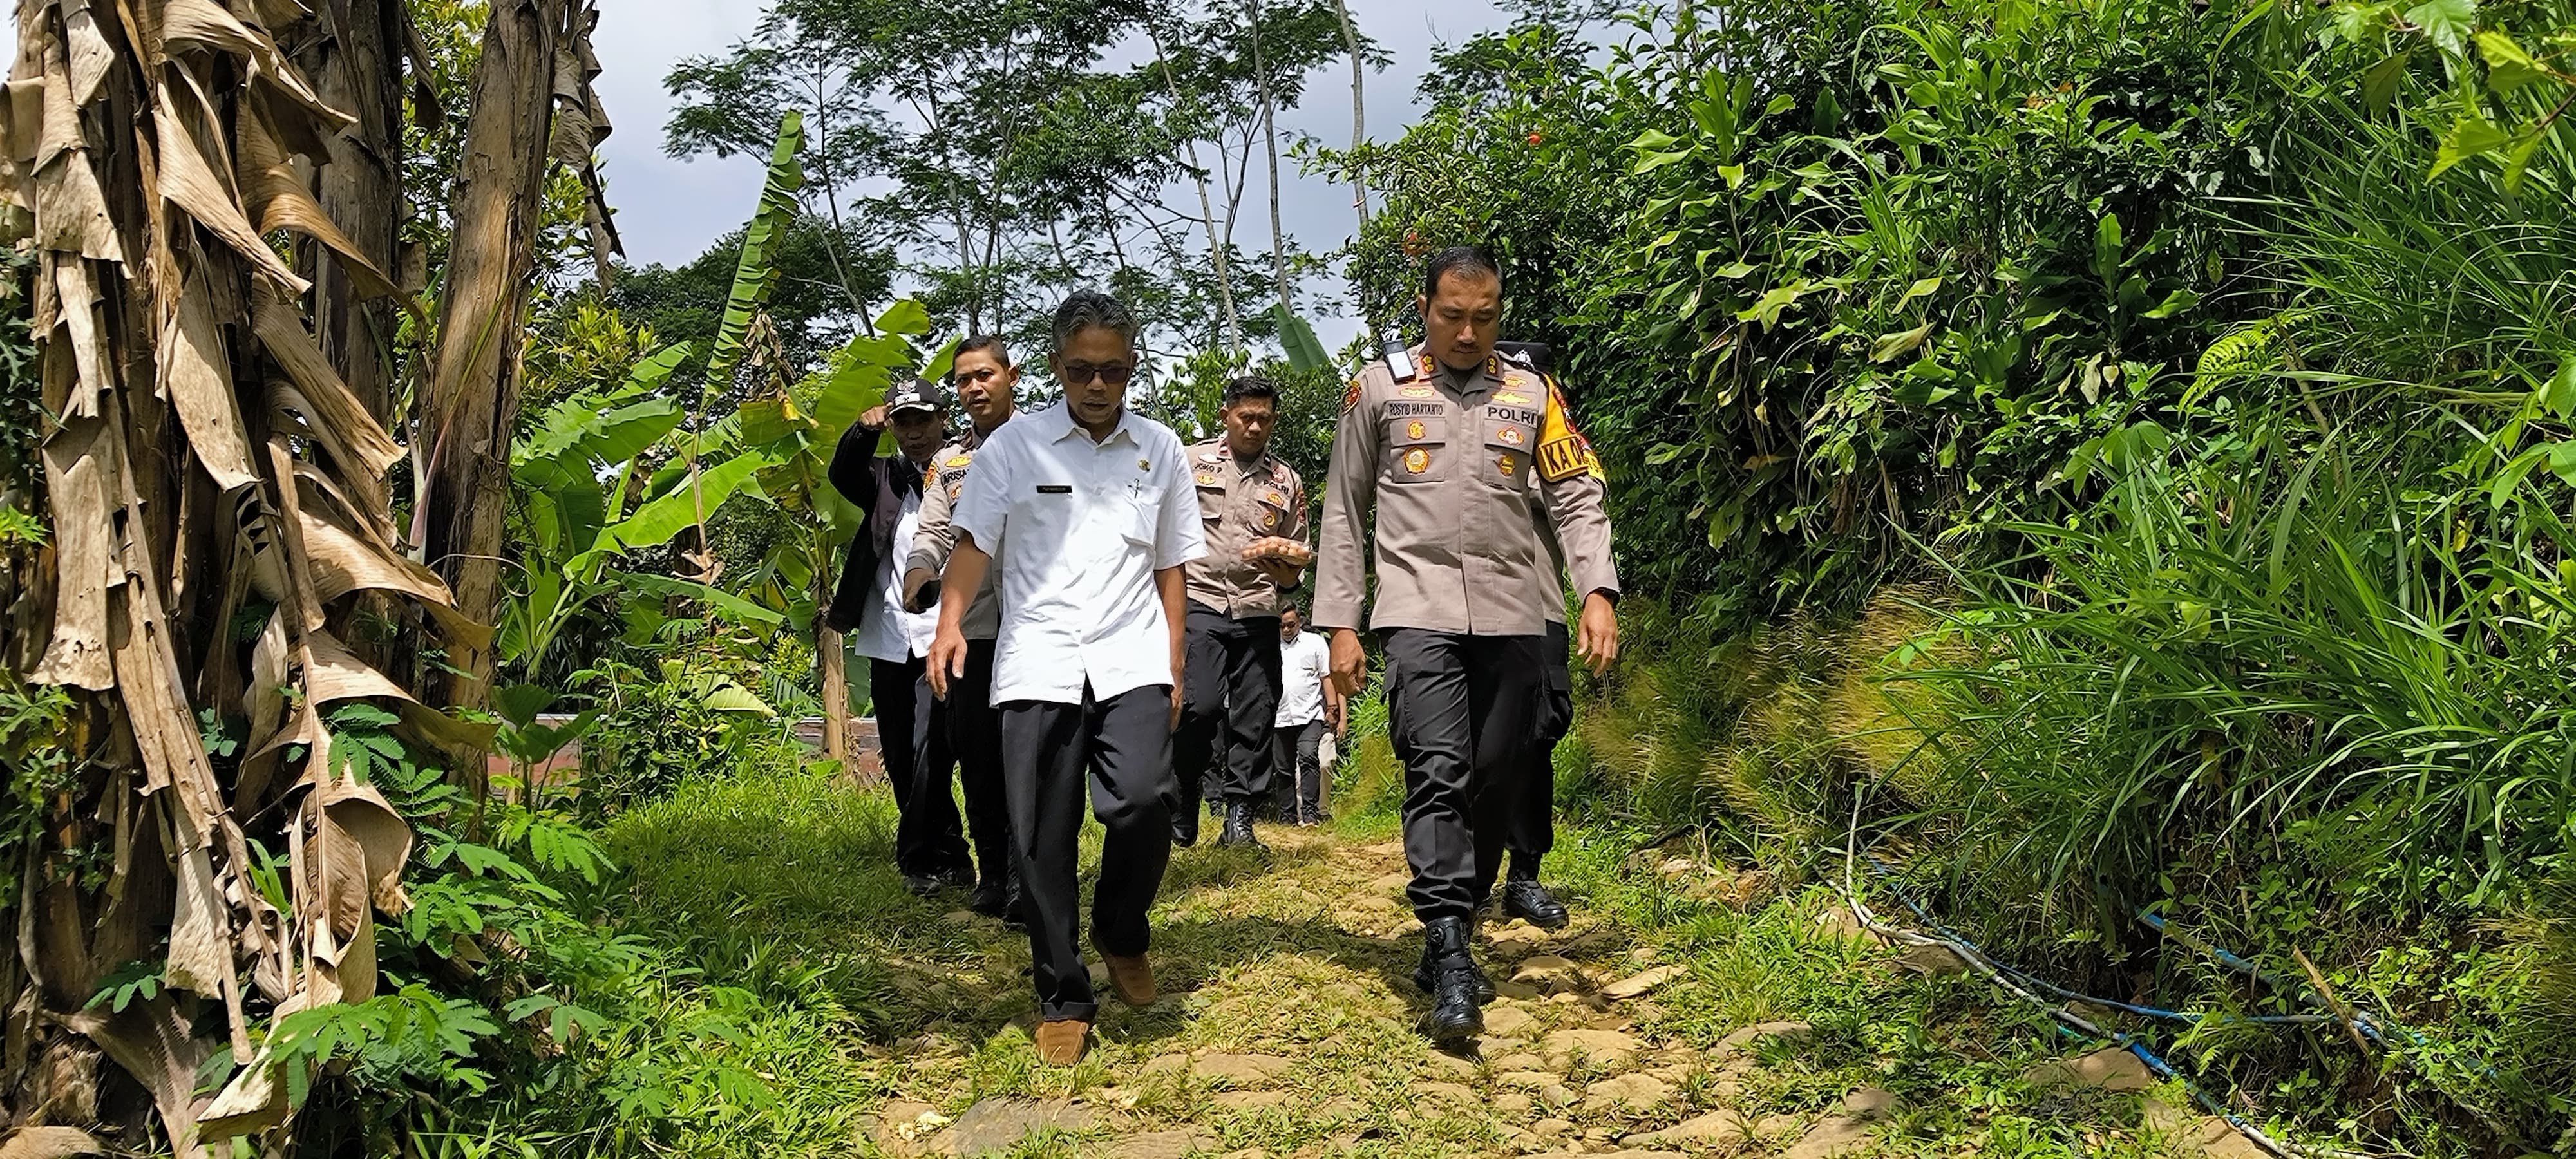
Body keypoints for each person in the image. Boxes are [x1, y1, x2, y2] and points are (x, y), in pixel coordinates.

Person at [1314, 245, 1621, 1039]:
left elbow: (1575, 496)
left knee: (1497, 774)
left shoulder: (1532, 392)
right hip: (1416, 612)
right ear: (1424, 308)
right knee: (1440, 769)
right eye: (1452, 315)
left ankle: (1461, 909)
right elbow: (1344, 513)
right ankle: (1449, 941)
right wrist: (1341, 623)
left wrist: (1595, 589)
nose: (1467, 330)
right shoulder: (1377, 389)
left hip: (1516, 611)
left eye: (1484, 317)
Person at [925, 290, 1204, 1066]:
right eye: (1081, 370)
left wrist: (1175, 659)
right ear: (1054, 368)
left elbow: (1172, 562)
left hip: (1133, 655)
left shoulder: (1162, 448)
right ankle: (1063, 995)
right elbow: (975, 543)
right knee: (1040, 837)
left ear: (1131, 371)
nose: (1096, 386)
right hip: (1039, 659)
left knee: (1147, 800)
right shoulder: (1013, 447)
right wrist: (950, 622)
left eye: (1112, 372)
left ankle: (1120, 928)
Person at [825, 378, 969, 896]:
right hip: (890, 633)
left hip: (950, 632)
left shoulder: (964, 470)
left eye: (922, 421)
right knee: (903, 754)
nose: (913, 433)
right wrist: (862, 433)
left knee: (936, 748)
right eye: (903, 423)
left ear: (942, 420)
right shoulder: (884, 479)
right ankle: (943, 853)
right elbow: (841, 473)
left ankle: (920, 859)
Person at [901, 336, 1023, 921]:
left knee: (1034, 754)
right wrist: (919, 573)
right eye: (963, 380)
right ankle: (995, 874)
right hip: (971, 631)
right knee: (977, 754)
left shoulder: (1047, 447)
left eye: (985, 375)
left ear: (1011, 376)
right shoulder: (947, 464)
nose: (975, 388)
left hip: (1038, 628)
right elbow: (933, 533)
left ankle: (1034, 874)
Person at [1171, 375, 1312, 851]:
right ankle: (1185, 790)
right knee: (1199, 706)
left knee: (1257, 713)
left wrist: (1288, 572)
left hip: (1257, 609)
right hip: (1199, 599)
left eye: (1264, 419)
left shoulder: (1287, 481)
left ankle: (1240, 818)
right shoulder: (1189, 462)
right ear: (1225, 415)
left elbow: (1298, 563)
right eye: (1245, 417)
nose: (1254, 427)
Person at [1495, 341, 1575, 931]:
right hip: (1455, 614)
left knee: (1540, 732)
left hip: (1540, 607)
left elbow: (1579, 509)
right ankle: (1462, 875)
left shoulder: (1554, 434)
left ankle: (1524, 873)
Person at [1269, 607, 1341, 827]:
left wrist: (1332, 708)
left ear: (1299, 622)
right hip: (1279, 716)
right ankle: (1287, 816)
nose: (1287, 629)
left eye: (1291, 624)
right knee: (1283, 768)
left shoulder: (1315, 642)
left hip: (1310, 713)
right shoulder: (1271, 645)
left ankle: (1310, 813)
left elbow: (1326, 677)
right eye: (1282, 625)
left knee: (1309, 757)